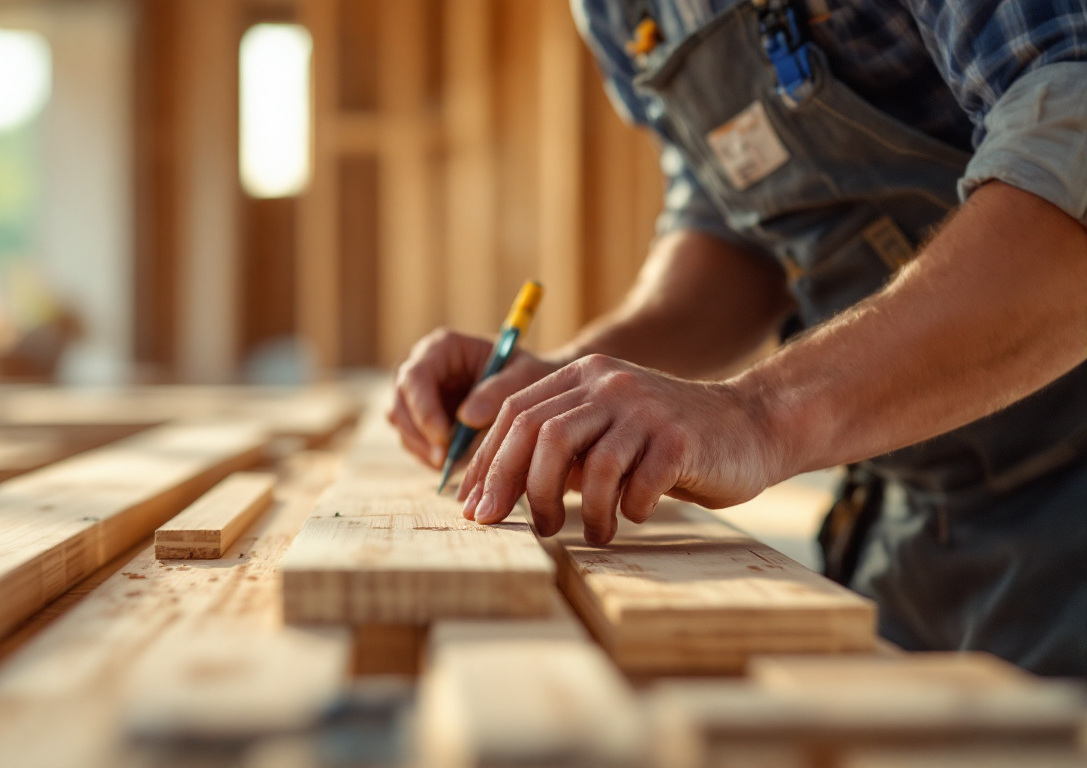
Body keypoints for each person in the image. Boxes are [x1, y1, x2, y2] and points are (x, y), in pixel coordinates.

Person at [388, 0, 1087, 677]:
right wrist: (566, 382)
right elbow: (740, 225)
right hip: (914, 509)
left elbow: (1074, 149)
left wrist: (758, 415)